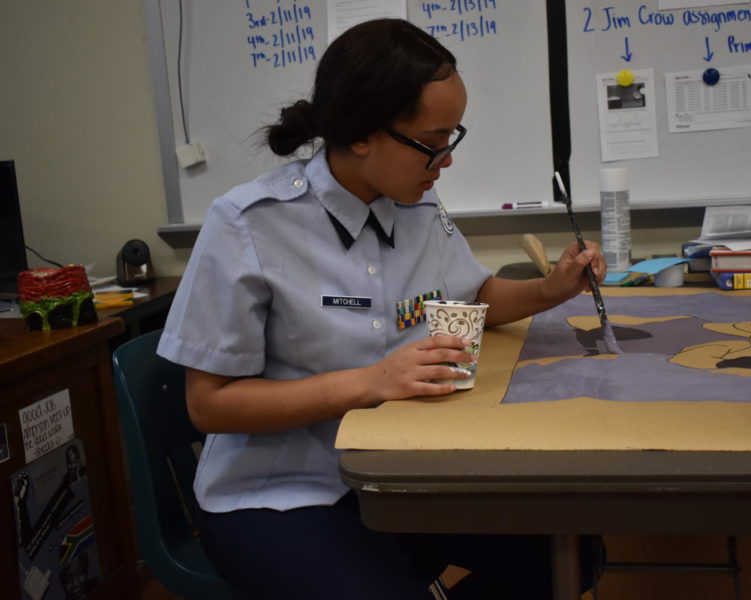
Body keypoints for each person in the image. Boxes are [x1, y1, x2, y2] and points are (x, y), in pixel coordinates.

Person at [158, 18, 605, 599]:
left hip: (405, 471)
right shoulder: (250, 225)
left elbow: (470, 298)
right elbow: (210, 405)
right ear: (363, 133)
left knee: (568, 555)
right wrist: (372, 381)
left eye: (453, 137)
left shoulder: (416, 203)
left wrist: (551, 289)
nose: (445, 160)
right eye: (432, 141)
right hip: (280, 492)